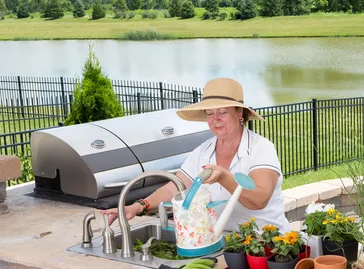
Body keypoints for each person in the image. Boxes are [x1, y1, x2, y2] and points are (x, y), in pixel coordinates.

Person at [101, 77, 291, 233]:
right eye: (209, 113)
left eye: (222, 112)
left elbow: (259, 199)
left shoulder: (261, 148)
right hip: (223, 241)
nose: (215, 119)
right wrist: (138, 206)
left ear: (239, 112)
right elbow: (173, 188)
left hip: (267, 244)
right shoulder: (203, 151)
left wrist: (224, 177)